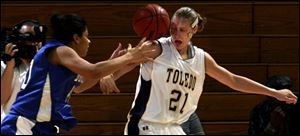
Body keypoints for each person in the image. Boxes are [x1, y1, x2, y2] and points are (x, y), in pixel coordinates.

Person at [123, 7, 298, 135]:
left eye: (182, 30)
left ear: (194, 30)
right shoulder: (158, 48)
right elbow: (128, 60)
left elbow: (233, 80)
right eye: (173, 29)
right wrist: (110, 75)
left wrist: (274, 93)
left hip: (173, 127)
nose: (176, 34)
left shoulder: (201, 58)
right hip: (145, 126)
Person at [1, 13, 155, 135]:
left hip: (42, 127)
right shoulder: (59, 50)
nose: (89, 42)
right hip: (23, 124)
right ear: (76, 38)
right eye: (86, 36)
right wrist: (129, 56)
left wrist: (124, 64)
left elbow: (81, 86)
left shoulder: (65, 60)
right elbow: (94, 71)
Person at [1, 19, 47, 123]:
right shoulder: (4, 65)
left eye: (36, 40)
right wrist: (10, 66)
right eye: (28, 39)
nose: (33, 44)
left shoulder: (49, 65)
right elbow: (1, 99)